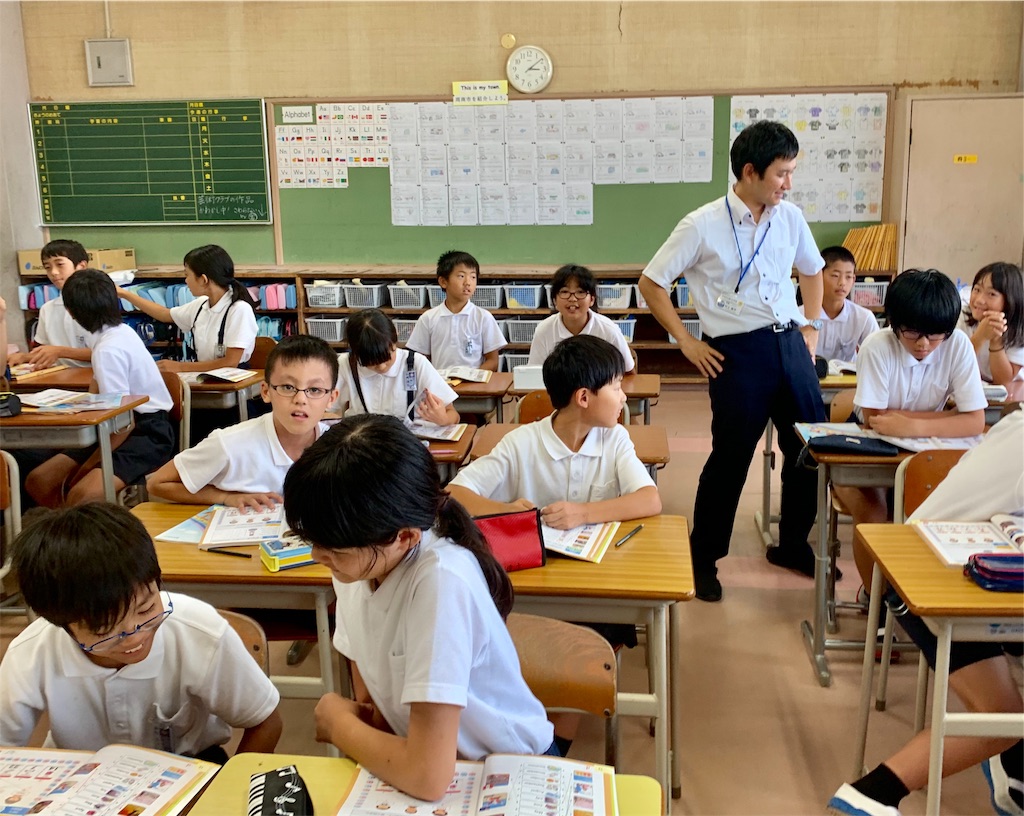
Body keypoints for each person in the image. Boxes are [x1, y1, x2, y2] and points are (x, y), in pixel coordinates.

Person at [283, 414, 554, 801]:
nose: (316, 555)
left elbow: (428, 777)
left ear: (406, 537)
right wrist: (366, 725)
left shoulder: (441, 580)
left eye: (332, 549)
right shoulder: (355, 562)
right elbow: (370, 702)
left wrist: (336, 722)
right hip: (435, 767)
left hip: (503, 775)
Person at [638, 119, 827, 602]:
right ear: (750, 171)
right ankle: (704, 560)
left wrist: (810, 327)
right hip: (737, 354)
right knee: (730, 461)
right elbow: (652, 283)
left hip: (791, 347)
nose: (789, 183)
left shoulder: (790, 218)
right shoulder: (701, 224)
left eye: (791, 172)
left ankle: (792, 545)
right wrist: (686, 341)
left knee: (810, 452)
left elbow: (811, 271)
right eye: (782, 173)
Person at [827, 408, 1023, 816]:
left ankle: (1013, 763)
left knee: (1004, 716)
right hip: (928, 578)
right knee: (1000, 714)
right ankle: (870, 796)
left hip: (982, 576)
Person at [0, 503, 282, 759]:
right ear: (60, 623)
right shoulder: (32, 652)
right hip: (81, 776)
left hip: (192, 766)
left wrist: (227, 790)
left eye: (146, 610)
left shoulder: (199, 632)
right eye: (104, 630)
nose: (134, 637)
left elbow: (265, 721)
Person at [843, 269, 987, 586]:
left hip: (927, 448)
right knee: (876, 514)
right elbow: (876, 420)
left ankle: (922, 596)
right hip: (871, 446)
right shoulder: (877, 347)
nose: (923, 344)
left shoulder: (957, 344)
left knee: (942, 514)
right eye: (912, 333)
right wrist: (950, 420)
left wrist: (910, 425)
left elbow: (975, 420)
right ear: (894, 324)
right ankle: (874, 599)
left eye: (935, 335)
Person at [447, 335, 661, 529]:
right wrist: (506, 511)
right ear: (584, 398)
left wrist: (583, 513)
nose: (623, 397)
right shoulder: (520, 443)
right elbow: (453, 493)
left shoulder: (615, 439)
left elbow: (650, 500)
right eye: (616, 388)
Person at [22, 269, 176, 507]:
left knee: (82, 494)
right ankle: (67, 532)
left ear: (72, 313)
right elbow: (101, 395)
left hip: (145, 434)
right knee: (39, 480)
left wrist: (88, 466)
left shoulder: (109, 348)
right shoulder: (115, 334)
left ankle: (80, 531)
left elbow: (123, 424)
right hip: (113, 427)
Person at [147, 334, 338, 509]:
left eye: (314, 390)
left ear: (331, 398)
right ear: (266, 391)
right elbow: (157, 483)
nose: (300, 399)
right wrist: (224, 497)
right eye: (288, 387)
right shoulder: (230, 444)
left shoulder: (340, 447)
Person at [115, 244, 258, 373]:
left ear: (203, 279)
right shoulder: (201, 305)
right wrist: (124, 294)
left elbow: (230, 362)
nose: (185, 281)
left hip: (234, 380)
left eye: (187, 275)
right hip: (205, 376)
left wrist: (180, 367)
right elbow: (164, 314)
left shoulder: (239, 309)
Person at [332, 308, 459, 426]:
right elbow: (326, 409)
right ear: (355, 353)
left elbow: (453, 413)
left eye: (388, 357)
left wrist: (443, 419)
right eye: (372, 362)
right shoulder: (346, 364)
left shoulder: (415, 363)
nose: (381, 367)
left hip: (408, 441)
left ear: (395, 338)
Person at [406, 250, 507, 372]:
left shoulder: (483, 317)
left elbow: (493, 361)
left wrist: (472, 376)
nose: (468, 282)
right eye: (461, 276)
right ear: (443, 282)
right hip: (440, 385)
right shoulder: (428, 318)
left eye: (473, 277)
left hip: (474, 384)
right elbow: (421, 359)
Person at [527, 264, 634, 373]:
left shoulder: (608, 330)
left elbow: (628, 372)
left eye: (580, 292)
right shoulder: (544, 330)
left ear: (592, 299)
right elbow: (535, 374)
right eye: (564, 292)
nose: (572, 298)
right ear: (554, 300)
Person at [9, 239, 91, 369]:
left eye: (60, 265)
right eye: (47, 267)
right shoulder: (47, 309)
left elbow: (104, 351)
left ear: (81, 266)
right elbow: (47, 350)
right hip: (60, 376)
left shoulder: (97, 304)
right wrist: (24, 357)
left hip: (92, 376)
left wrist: (59, 351)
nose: (53, 272)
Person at [803, 245, 878, 364]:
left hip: (848, 381)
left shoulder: (864, 317)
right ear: (819, 277)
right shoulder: (800, 315)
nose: (842, 283)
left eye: (848, 277)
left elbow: (878, 354)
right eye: (835, 276)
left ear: (853, 280)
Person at [958, 261, 1024, 388]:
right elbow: (956, 365)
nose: (979, 300)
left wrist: (996, 340)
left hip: (1013, 393)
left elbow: (1002, 380)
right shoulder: (963, 316)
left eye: (991, 294)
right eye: (977, 289)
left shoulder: (1019, 328)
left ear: (1011, 300)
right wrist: (980, 336)